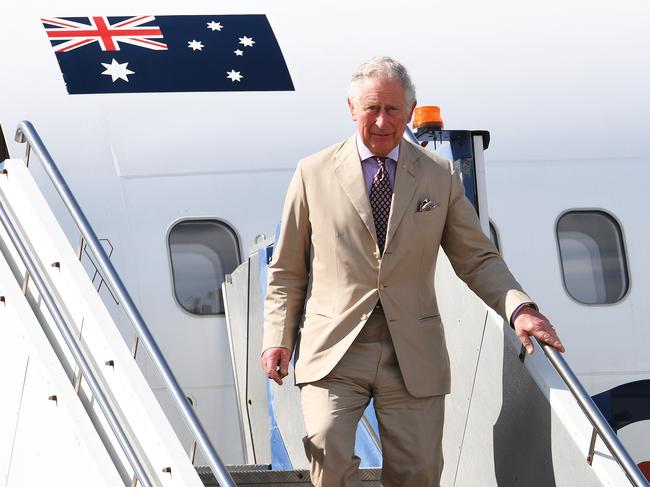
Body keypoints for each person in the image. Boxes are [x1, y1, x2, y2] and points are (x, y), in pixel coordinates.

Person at [261, 56, 564, 487]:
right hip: (335, 346)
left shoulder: (437, 175)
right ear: (351, 109)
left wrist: (520, 309)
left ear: (410, 108)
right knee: (327, 451)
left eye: (393, 109)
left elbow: (476, 257)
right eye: (371, 108)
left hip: (411, 350)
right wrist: (277, 339)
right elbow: (287, 270)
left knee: (419, 473)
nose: (382, 121)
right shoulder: (313, 173)